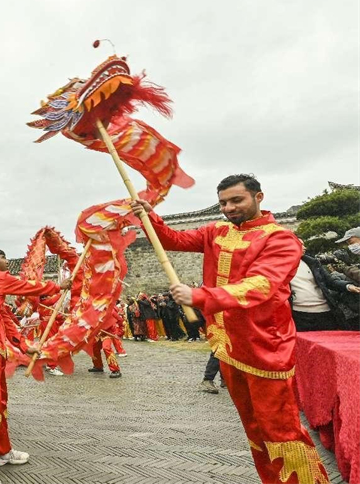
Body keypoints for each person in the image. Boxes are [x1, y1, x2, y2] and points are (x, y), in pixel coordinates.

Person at [130, 173, 328, 483]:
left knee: (281, 431)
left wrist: (199, 295)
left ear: (258, 197)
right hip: (228, 348)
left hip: (265, 349)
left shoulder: (280, 238)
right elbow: (174, 239)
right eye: (223, 202)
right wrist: (148, 216)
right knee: (254, 429)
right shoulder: (216, 231)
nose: (229, 208)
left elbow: (261, 285)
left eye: (237, 200)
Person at [0, 249, 70, 484]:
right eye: (3, 258)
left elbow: (4, 318)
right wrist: (58, 287)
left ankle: (1, 451)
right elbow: (26, 285)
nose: (7, 261)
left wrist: (23, 344)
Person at [290, 247, 360, 331]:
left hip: (326, 312)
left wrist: (348, 286)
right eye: (300, 244)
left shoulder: (312, 262)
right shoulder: (276, 267)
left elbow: (330, 281)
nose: (304, 247)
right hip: (300, 316)